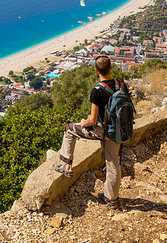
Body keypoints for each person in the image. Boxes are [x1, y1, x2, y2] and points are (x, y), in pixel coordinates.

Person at [53, 55, 125, 208]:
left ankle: (67, 166)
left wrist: (84, 122)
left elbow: (92, 121)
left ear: (96, 70)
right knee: (113, 166)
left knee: (69, 129)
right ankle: (111, 200)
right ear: (110, 68)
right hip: (119, 130)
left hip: (103, 130)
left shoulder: (97, 90)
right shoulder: (120, 84)